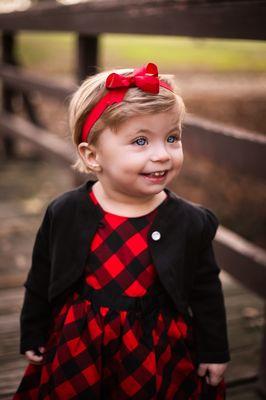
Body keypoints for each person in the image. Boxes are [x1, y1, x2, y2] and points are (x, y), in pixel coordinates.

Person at [13, 62, 230, 399]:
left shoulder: (189, 222)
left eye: (172, 137)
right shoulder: (66, 212)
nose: (162, 154)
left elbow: (206, 289)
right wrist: (33, 330)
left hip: (156, 349)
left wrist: (214, 350)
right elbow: (41, 276)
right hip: (81, 344)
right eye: (141, 141)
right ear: (92, 155)